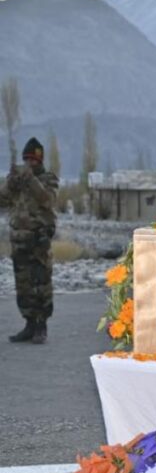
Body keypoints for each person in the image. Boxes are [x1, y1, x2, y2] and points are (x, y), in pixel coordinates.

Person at [1, 138, 59, 344]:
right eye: (26, 160)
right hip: (19, 240)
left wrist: (30, 180)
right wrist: (10, 183)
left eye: (32, 160)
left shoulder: (47, 179)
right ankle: (29, 324)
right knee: (23, 285)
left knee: (41, 283)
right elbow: (2, 200)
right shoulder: (19, 181)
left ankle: (41, 326)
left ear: (39, 160)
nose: (29, 164)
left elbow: (47, 200)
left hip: (39, 240)